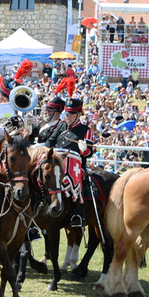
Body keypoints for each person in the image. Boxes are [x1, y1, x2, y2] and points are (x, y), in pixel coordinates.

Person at [43, 97, 93, 227]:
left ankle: (78, 214)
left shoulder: (86, 130)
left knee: (76, 181)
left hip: (75, 165)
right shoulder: (61, 125)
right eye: (67, 114)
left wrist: (84, 150)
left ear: (78, 114)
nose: (68, 117)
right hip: (57, 164)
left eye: (71, 115)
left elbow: (89, 153)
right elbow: (50, 142)